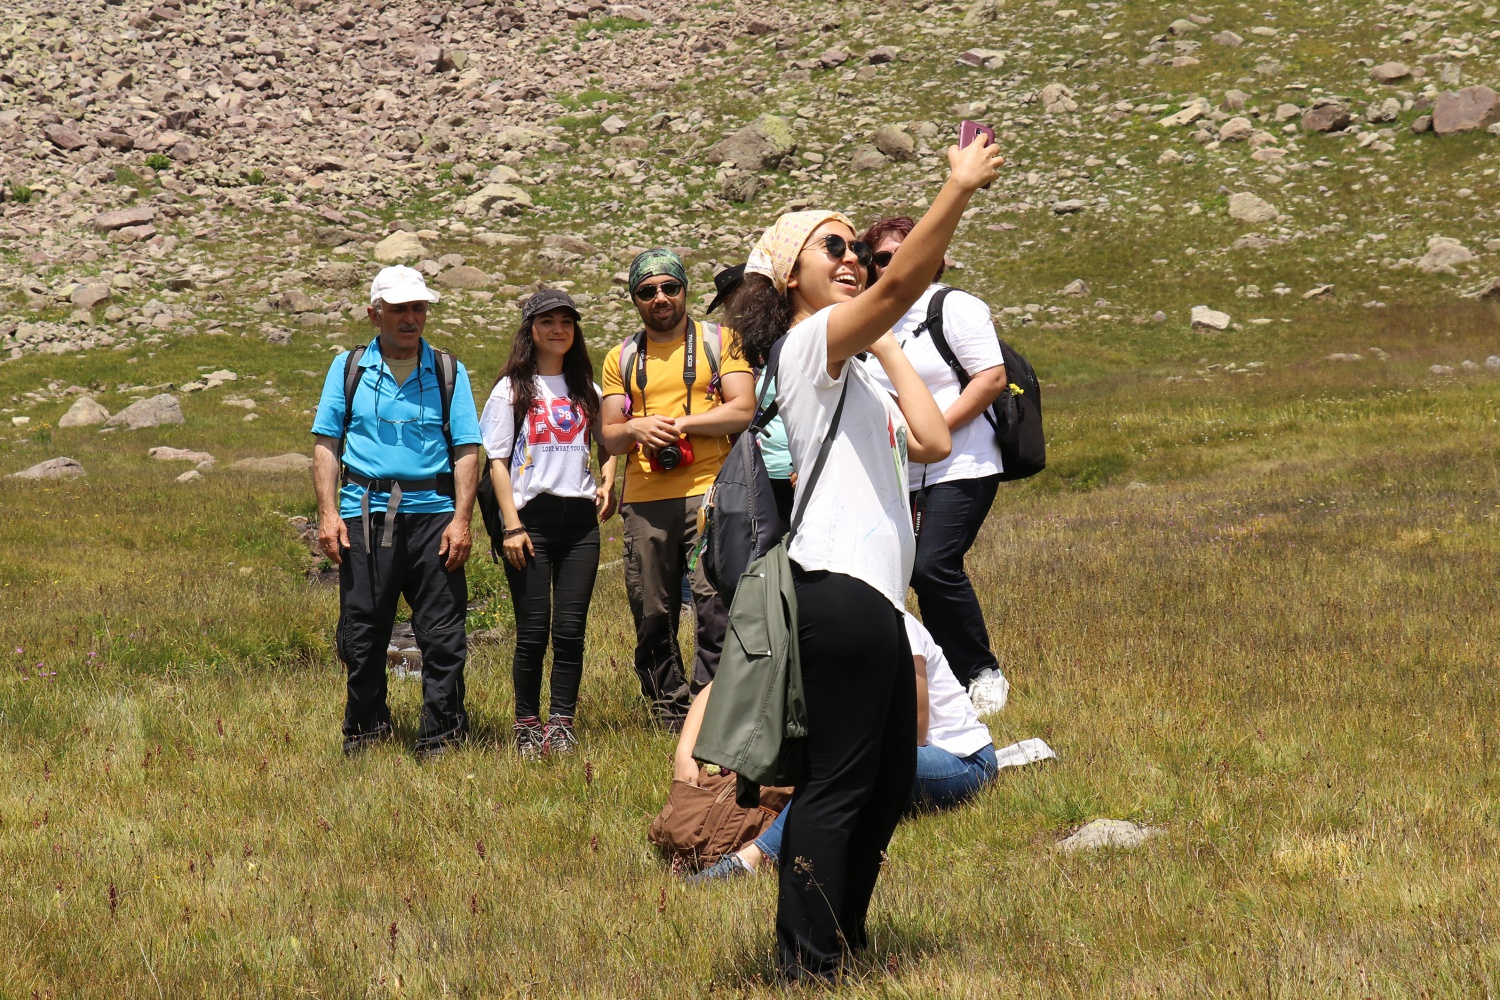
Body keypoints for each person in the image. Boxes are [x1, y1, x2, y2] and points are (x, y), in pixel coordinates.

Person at [719, 134, 1002, 981]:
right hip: (834, 590)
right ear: (787, 278)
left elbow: (932, 436)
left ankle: (839, 941)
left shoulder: (853, 365)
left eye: (853, 246)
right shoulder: (805, 350)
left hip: (875, 600)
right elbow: (905, 281)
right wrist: (955, 189)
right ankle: (803, 966)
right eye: (830, 246)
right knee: (841, 789)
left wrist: (882, 344)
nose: (849, 257)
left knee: (881, 789)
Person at [684, 612, 1001, 882]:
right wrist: (684, 755)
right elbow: (723, 684)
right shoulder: (829, 634)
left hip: (964, 759)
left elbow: (915, 733)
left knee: (849, 768)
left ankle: (750, 860)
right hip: (902, 759)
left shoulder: (898, 624)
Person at [311, 265, 483, 759]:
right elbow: (327, 442)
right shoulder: (348, 368)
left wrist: (462, 520)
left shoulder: (450, 370)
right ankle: (366, 732)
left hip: (435, 517)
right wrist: (328, 515)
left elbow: (467, 448)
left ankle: (443, 735)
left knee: (443, 634)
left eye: (419, 308)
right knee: (362, 634)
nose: (411, 319)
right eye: (400, 309)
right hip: (364, 515)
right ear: (375, 313)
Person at [598, 249, 756, 730]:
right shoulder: (620, 356)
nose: (661, 298)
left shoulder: (720, 341)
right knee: (651, 609)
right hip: (645, 500)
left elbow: (742, 408)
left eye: (670, 287)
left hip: (712, 491)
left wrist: (684, 423)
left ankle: (713, 707)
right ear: (635, 300)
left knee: (715, 604)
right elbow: (608, 432)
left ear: (685, 290)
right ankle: (669, 709)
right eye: (647, 292)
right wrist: (638, 430)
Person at [860, 216, 1010, 713]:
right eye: (882, 257)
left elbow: (989, 379)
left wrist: (934, 431)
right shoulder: (872, 314)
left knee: (933, 565)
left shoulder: (954, 306)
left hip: (962, 460)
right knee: (899, 569)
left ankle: (982, 672)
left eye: (907, 252)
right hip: (899, 467)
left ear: (935, 255)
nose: (894, 264)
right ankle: (930, 673)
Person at [479, 288, 618, 760]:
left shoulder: (587, 389)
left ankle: (562, 722)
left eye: (566, 321)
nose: (558, 329)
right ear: (530, 330)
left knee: (571, 630)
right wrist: (511, 526)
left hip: (579, 521)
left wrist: (608, 480)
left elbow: (610, 440)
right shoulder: (511, 389)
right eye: (547, 322)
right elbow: (496, 460)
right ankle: (525, 724)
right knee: (533, 629)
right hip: (529, 519)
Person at [708, 262, 794, 524]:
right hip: (757, 468)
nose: (735, 309)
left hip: (794, 467)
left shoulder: (788, 337)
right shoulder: (732, 348)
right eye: (729, 303)